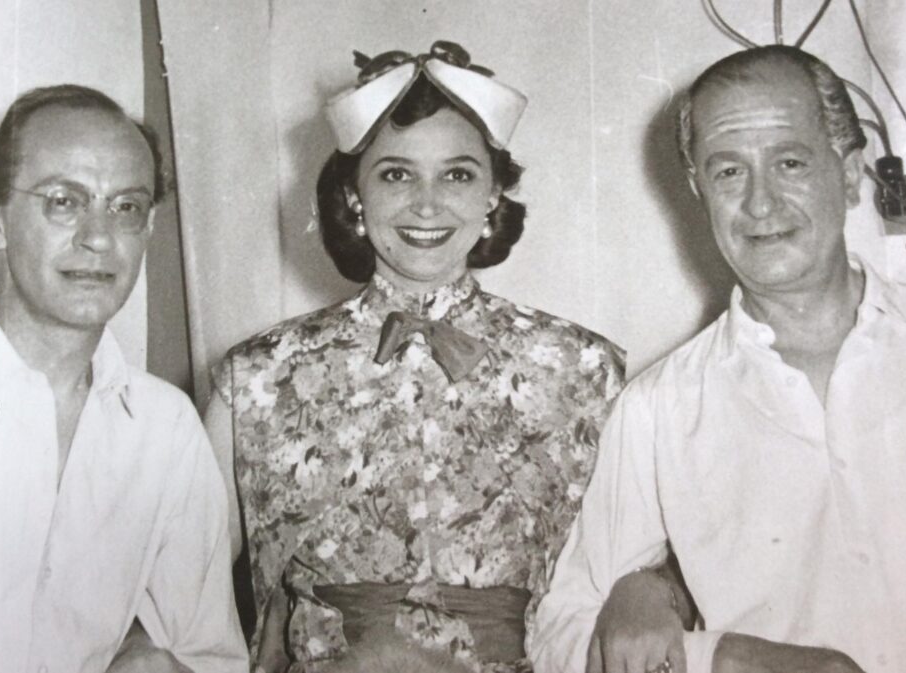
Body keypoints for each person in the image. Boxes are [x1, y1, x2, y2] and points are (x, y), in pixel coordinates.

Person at [205, 41, 626, 672]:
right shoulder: (257, 378)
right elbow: (178, 590)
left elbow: (638, 577)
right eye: (396, 174)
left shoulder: (583, 371)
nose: (427, 204)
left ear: (493, 195)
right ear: (355, 195)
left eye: (458, 174)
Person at [532, 44, 906, 673]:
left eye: (790, 162)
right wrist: (722, 657)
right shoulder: (658, 408)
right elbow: (561, 636)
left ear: (851, 174)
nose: (760, 203)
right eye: (728, 172)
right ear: (699, 190)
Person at [0, 85, 249, 673]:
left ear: (148, 228)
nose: (99, 237)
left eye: (126, 208)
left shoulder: (166, 430)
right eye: (64, 201)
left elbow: (209, 656)